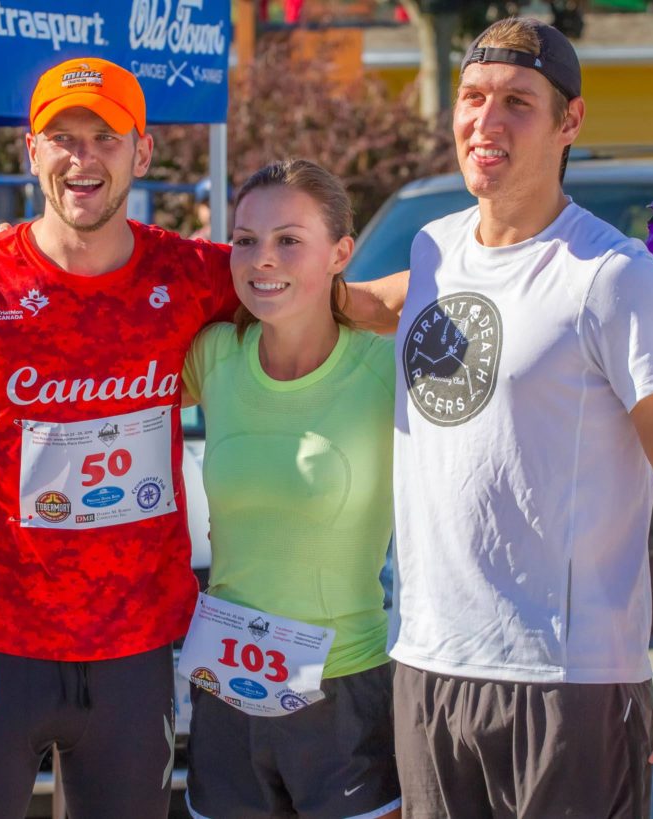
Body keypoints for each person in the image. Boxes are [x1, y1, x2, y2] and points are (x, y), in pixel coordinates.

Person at [0, 57, 402, 818]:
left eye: (105, 137)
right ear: (30, 151)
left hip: (135, 658)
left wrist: (461, 275)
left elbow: (355, 297)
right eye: (62, 137)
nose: (83, 158)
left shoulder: (199, 274)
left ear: (141, 152)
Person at [388, 17, 653, 818]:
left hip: (568, 681)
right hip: (429, 664)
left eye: (518, 102)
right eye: (473, 98)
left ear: (568, 122)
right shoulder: (432, 251)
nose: (487, 120)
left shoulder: (616, 278)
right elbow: (351, 305)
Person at [180, 159, 400, 818]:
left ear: (341, 253)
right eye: (245, 240)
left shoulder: (385, 359)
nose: (262, 259)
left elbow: (487, 293)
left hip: (343, 693)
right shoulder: (214, 354)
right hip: (223, 688)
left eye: (288, 240)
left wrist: (651, 282)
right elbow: (98, 354)